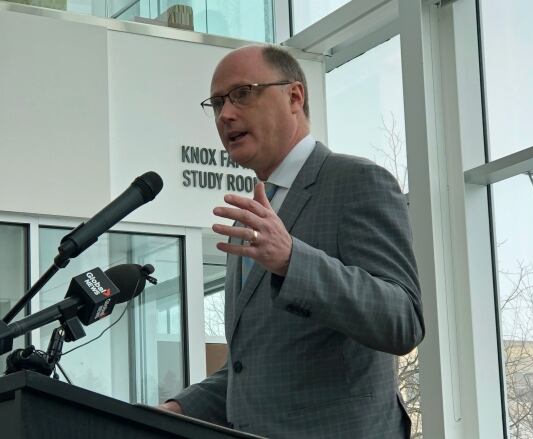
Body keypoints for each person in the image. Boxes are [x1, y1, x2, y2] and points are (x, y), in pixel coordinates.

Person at [160, 44, 424, 439]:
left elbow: (402, 321)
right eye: (216, 103)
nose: (226, 114)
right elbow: (254, 365)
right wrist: (180, 407)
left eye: (242, 94)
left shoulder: (356, 182)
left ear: (294, 97)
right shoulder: (262, 210)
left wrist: (291, 259)